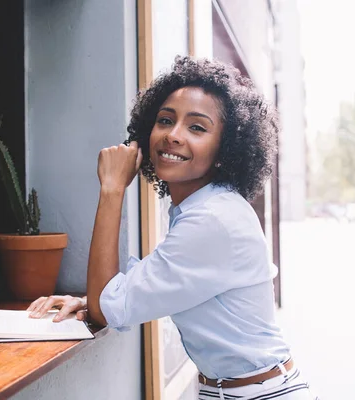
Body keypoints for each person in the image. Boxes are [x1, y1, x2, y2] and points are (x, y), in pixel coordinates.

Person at [27, 56, 319, 400]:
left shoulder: (213, 219)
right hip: (235, 390)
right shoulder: (202, 206)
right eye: (165, 120)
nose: (173, 136)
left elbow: (109, 310)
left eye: (197, 127)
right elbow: (132, 289)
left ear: (224, 149)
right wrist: (93, 299)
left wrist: (112, 188)